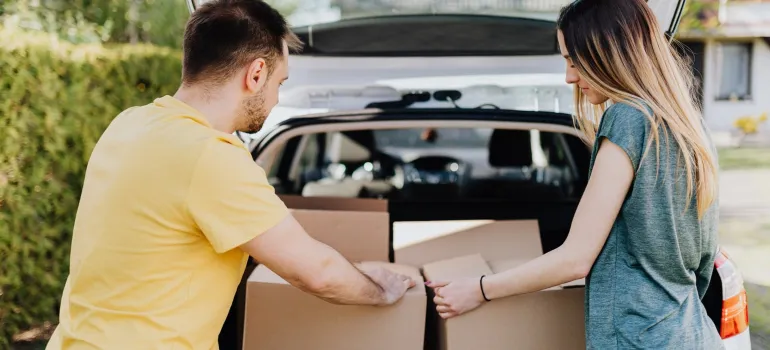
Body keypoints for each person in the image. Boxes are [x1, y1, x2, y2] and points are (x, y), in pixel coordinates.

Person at [46, 1, 415, 349]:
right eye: (280, 83)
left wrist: (357, 269)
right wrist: (382, 290)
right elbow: (315, 272)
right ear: (256, 74)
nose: (275, 99)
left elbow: (166, 237)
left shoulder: (129, 123)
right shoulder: (211, 157)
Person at [426, 0, 724, 349]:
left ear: (609, 52)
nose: (569, 76)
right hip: (692, 333)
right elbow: (702, 264)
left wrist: (477, 289)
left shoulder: (628, 119)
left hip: (638, 340)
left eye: (573, 60)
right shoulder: (688, 127)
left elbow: (576, 258)